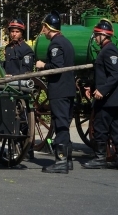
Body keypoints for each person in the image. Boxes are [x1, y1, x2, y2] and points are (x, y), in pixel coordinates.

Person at [82, 19, 118, 171]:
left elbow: (115, 74)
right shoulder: (108, 49)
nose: (95, 38)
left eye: (97, 35)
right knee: (117, 129)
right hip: (114, 99)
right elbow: (104, 74)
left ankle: (99, 158)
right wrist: (92, 86)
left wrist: (102, 90)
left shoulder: (109, 50)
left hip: (108, 100)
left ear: (103, 35)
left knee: (100, 127)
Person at [35, 10, 76, 173]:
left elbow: (57, 67)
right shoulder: (67, 42)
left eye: (43, 27)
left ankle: (61, 161)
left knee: (60, 124)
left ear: (47, 27)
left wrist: (43, 65)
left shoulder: (56, 44)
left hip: (59, 90)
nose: (43, 30)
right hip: (68, 89)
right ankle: (68, 159)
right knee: (64, 123)